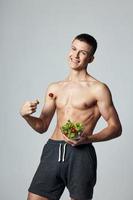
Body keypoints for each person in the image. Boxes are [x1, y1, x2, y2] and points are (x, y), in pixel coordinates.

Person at [20, 33, 122, 200]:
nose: (75, 55)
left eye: (82, 52)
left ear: (91, 59)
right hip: (52, 150)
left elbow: (116, 128)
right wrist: (26, 116)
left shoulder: (98, 89)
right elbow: (42, 126)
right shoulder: (55, 87)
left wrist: (88, 138)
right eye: (73, 49)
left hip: (81, 154)